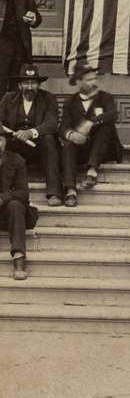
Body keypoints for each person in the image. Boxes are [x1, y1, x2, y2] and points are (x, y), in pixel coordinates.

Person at [58, 65, 123, 207]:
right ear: (78, 82)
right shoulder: (70, 102)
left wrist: (90, 123)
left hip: (104, 149)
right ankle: (70, 190)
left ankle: (92, 171)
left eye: (95, 78)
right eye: (89, 80)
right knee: (68, 144)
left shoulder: (105, 97)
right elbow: (63, 127)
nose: (94, 82)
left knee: (105, 125)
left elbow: (113, 115)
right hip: (82, 148)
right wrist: (71, 135)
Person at [0, 64, 61, 206]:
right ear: (20, 85)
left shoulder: (49, 98)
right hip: (14, 145)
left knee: (49, 140)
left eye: (33, 83)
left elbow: (51, 124)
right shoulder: (9, 98)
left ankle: (54, 193)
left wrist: (30, 133)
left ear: (39, 85)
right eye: (26, 83)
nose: (29, 87)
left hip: (38, 146)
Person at [0, 0, 42, 93]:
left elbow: (37, 19)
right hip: (1, 44)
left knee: (18, 82)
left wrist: (33, 18)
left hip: (20, 45)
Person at [0, 135, 31, 280]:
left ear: (5, 141)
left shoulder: (17, 160)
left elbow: (23, 193)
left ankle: (19, 260)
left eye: (0, 140)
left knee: (16, 205)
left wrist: (3, 198)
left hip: (7, 213)